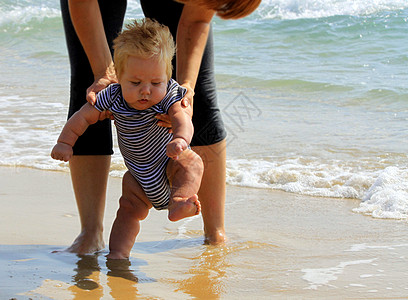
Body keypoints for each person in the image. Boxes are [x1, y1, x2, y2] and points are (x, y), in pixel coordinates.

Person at [60, 0, 261, 254]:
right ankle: (91, 233)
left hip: (170, 161)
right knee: (92, 90)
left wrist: (187, 87)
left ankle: (215, 232)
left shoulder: (203, 3)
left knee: (197, 97)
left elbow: (197, 20)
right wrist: (104, 72)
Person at [52, 19, 204, 259]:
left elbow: (182, 118)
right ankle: (118, 254)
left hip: (169, 166)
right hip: (138, 178)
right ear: (118, 77)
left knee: (192, 162)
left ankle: (178, 202)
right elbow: (82, 118)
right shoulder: (112, 96)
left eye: (156, 82)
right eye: (135, 83)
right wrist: (65, 142)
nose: (146, 90)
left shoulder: (169, 96)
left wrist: (180, 139)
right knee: (128, 211)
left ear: (167, 77)